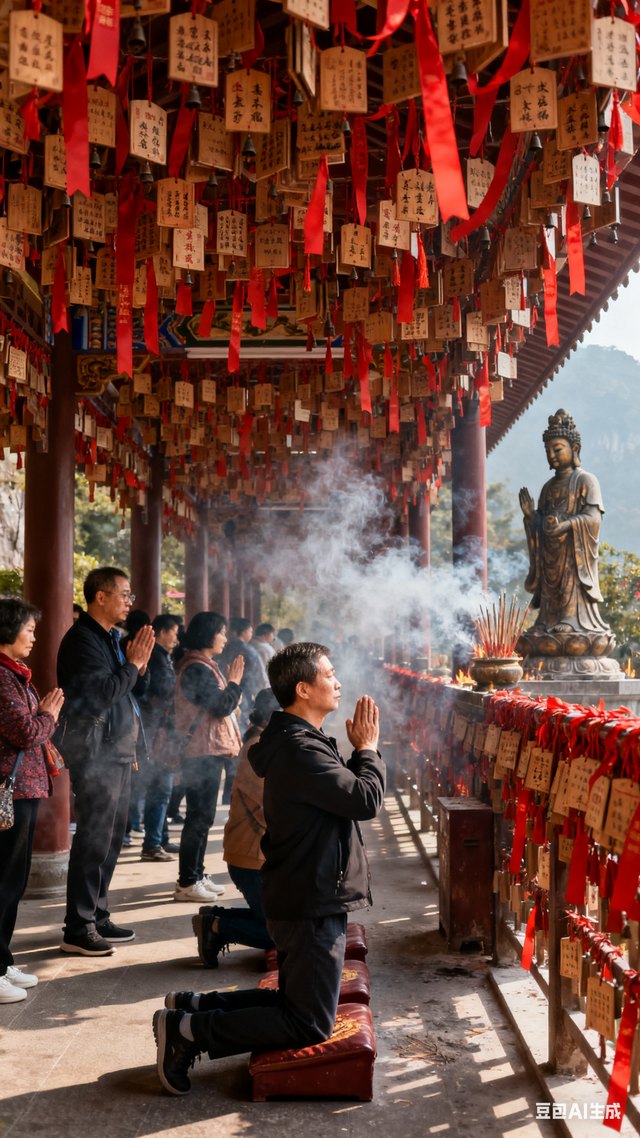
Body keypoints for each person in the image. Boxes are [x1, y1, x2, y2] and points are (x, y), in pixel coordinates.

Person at [153, 641, 384, 1096]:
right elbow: (364, 800)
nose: (338, 682)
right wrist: (370, 749)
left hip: (305, 889)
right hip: (309, 897)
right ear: (303, 688)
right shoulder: (300, 749)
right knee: (309, 1022)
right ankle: (187, 1032)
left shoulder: (298, 740)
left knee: (294, 1002)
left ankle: (195, 1008)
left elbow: (347, 796)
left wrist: (359, 754)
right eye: (330, 674)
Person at [56, 567, 154, 956]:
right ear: (101, 596)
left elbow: (131, 691)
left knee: (112, 837)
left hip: (118, 749)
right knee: (94, 837)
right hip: (97, 752)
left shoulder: (110, 639)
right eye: (125, 594)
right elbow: (101, 694)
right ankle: (77, 927)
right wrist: (132, 665)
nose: (130, 602)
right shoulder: (83, 641)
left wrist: (137, 666)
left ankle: (97, 914)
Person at [0, 597, 64, 1003]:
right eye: (29, 629)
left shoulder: (15, 674)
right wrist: (48, 718)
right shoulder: (2, 677)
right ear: (8, 631)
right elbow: (25, 733)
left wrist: (40, 718)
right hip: (10, 788)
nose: (34, 637)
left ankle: (2, 960)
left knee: (14, 879)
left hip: (23, 787)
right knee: (3, 879)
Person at [191, 688, 280, 969]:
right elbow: (273, 807)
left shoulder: (265, 739)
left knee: (282, 919)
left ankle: (214, 916)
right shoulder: (259, 746)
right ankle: (217, 926)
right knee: (282, 933)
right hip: (252, 858)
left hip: (258, 854)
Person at [173, 612, 244, 903]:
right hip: (200, 751)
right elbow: (221, 705)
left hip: (207, 749)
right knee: (198, 817)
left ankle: (197, 875)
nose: (225, 638)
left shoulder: (202, 665)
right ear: (207, 634)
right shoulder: (196, 669)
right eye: (221, 632)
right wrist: (234, 683)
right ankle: (188, 881)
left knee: (204, 817)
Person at [140, 614, 181, 862]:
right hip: (156, 730)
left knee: (162, 788)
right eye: (174, 631)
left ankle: (160, 838)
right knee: (160, 787)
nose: (176, 637)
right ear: (163, 631)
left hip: (158, 728)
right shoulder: (155, 655)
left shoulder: (162, 654)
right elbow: (164, 689)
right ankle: (153, 842)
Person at [218, 616, 262, 800]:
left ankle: (229, 792)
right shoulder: (248, 649)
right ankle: (230, 792)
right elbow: (255, 676)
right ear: (244, 631)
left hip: (224, 693)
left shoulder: (223, 649)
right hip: (241, 698)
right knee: (237, 744)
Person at [122, 609, 152, 844]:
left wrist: (141, 669)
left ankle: (130, 824)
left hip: (134, 726)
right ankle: (126, 828)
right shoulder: (120, 644)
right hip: (120, 729)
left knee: (135, 783)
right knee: (128, 786)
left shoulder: (144, 651)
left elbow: (141, 689)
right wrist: (133, 665)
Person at [249, 623, 276, 689]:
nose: (273, 637)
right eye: (272, 634)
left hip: (251, 684)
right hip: (264, 685)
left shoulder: (250, 644)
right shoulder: (267, 649)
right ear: (267, 634)